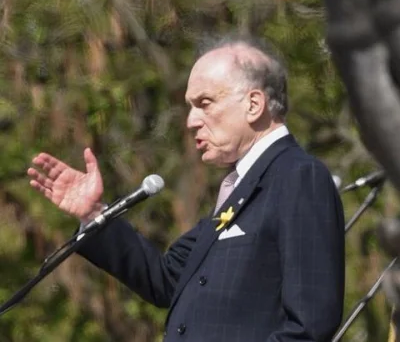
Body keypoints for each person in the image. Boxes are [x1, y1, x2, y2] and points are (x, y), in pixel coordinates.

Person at [26, 35, 346, 341]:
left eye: (204, 103)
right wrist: (93, 214)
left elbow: (311, 323)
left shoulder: (299, 177)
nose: (192, 120)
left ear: (253, 104)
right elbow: (165, 279)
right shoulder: (239, 186)